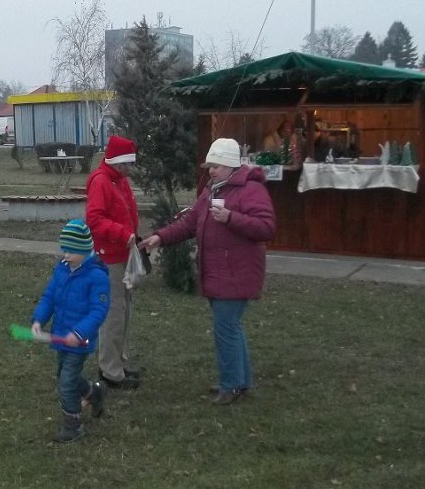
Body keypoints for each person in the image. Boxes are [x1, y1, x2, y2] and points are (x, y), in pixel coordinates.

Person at [139, 138, 276, 405]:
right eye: (209, 166)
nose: (210, 171)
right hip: (218, 271)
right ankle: (241, 381)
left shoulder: (250, 190)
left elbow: (266, 227)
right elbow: (190, 222)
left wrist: (231, 218)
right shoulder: (213, 190)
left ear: (230, 165)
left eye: (216, 166)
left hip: (236, 272)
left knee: (226, 329)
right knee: (231, 327)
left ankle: (231, 385)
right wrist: (160, 237)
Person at [30, 219, 110, 443]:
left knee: (66, 382)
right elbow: (49, 297)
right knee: (66, 376)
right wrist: (39, 320)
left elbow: (98, 312)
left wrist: (78, 333)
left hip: (79, 341)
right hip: (60, 337)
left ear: (85, 250)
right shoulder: (62, 270)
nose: (66, 255)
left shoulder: (97, 276)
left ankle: (73, 425)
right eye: (64, 249)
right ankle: (94, 393)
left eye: (71, 251)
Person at [85, 135, 141, 390]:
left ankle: (117, 362)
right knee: (113, 315)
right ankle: (110, 371)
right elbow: (94, 220)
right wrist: (123, 234)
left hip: (123, 254)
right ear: (117, 161)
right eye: (127, 163)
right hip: (110, 258)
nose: (129, 169)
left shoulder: (119, 180)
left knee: (123, 312)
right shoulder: (101, 182)